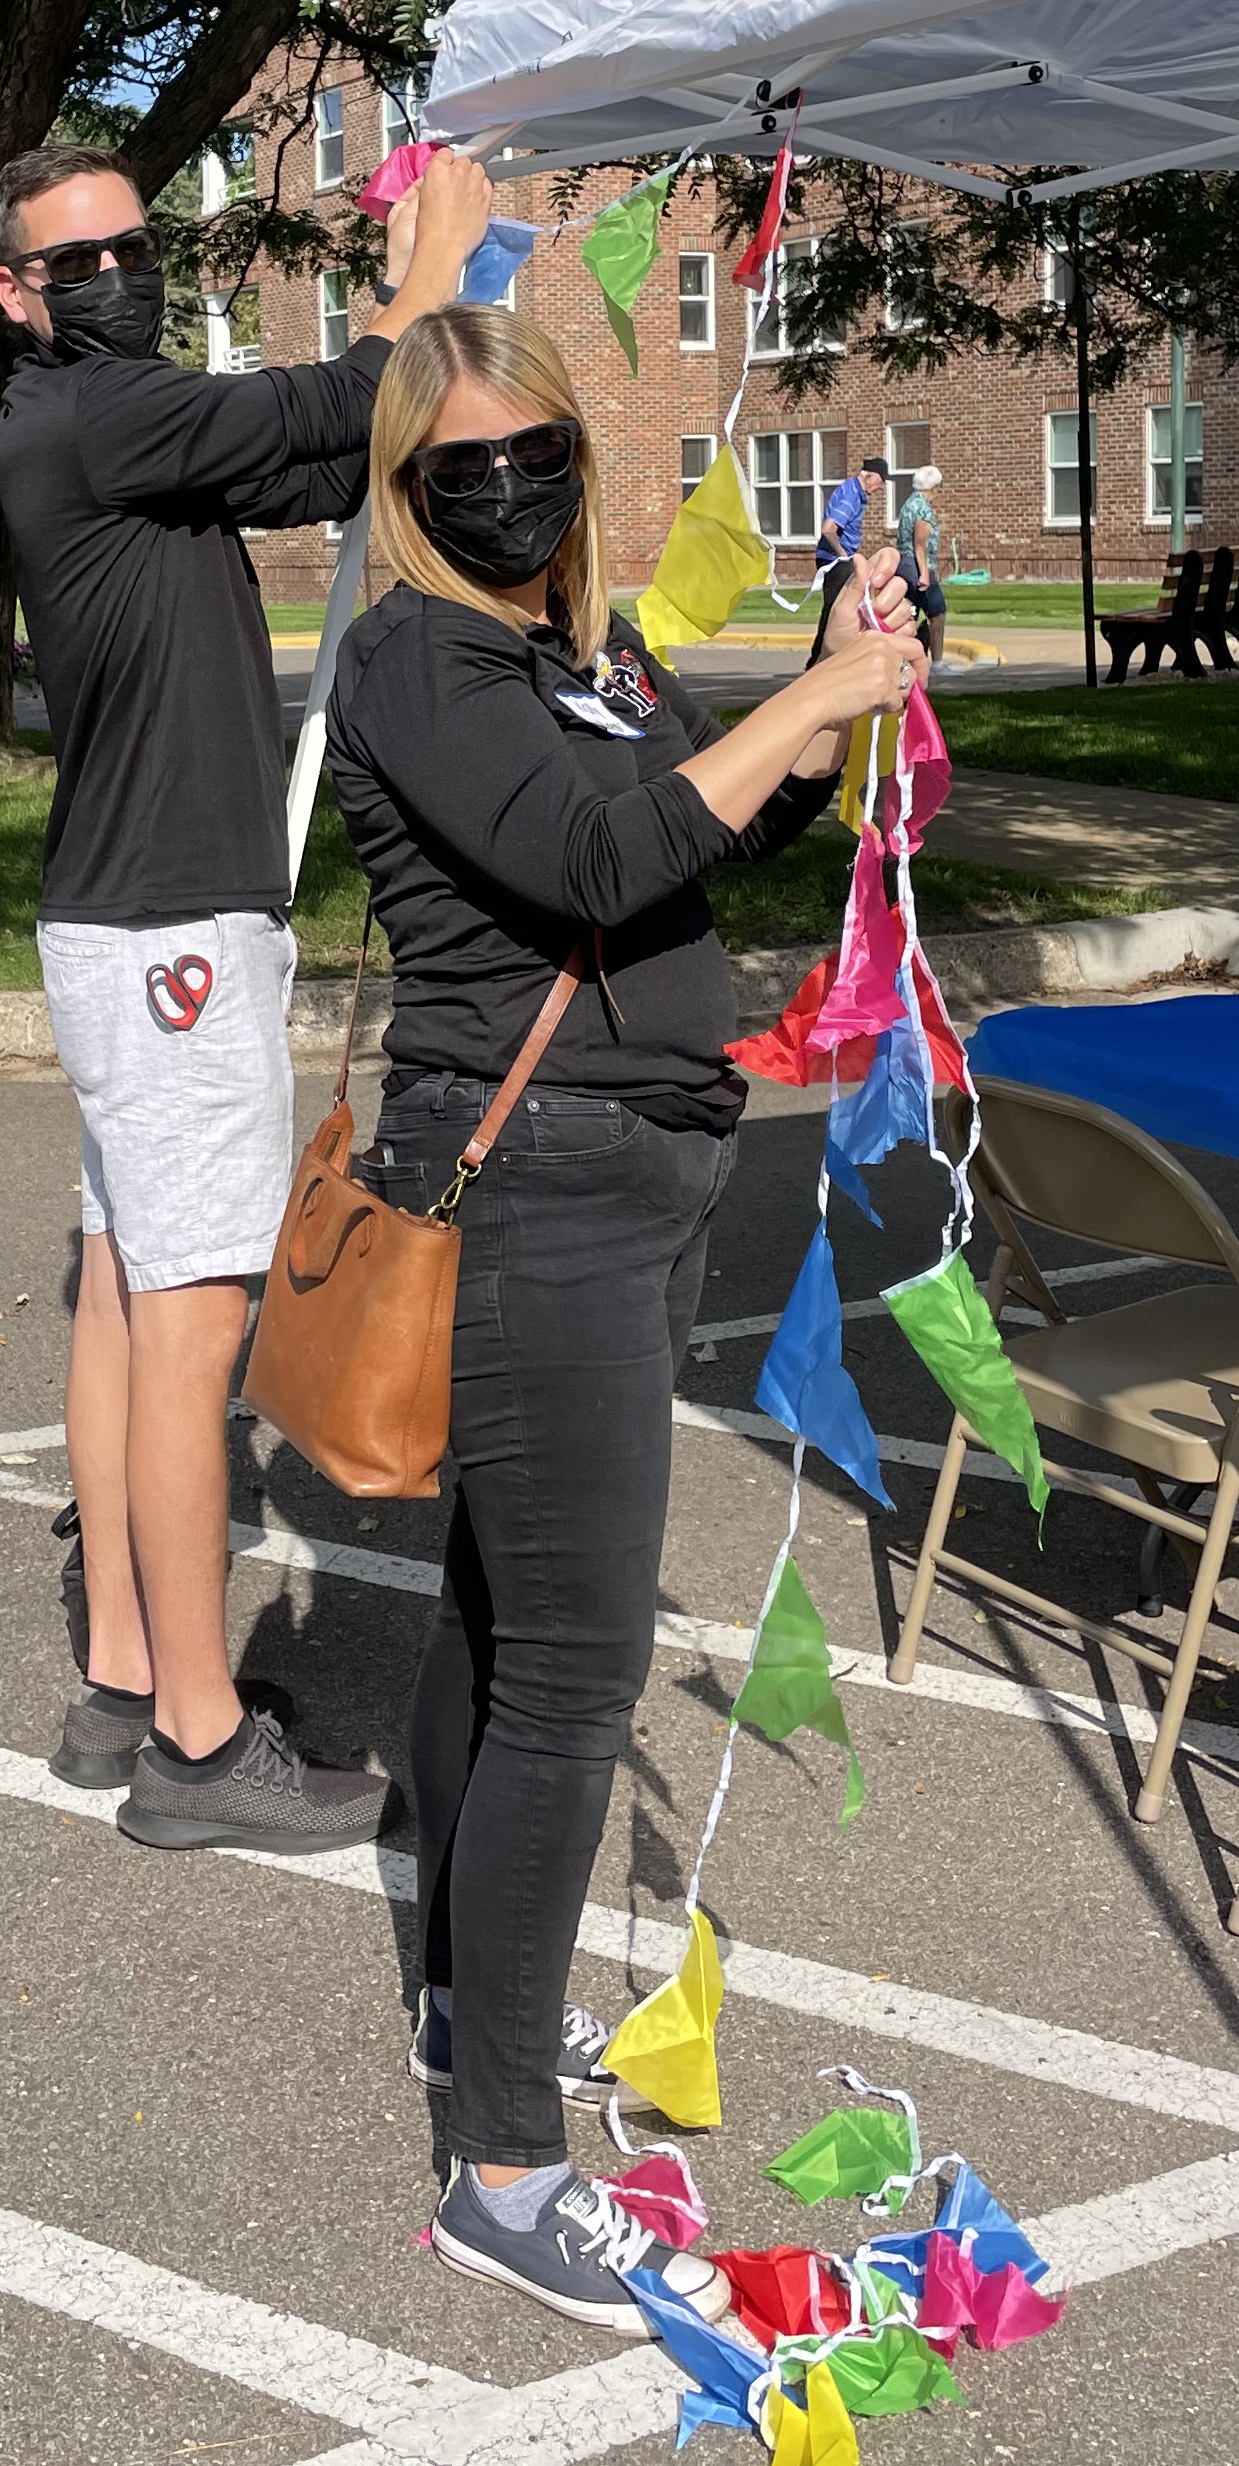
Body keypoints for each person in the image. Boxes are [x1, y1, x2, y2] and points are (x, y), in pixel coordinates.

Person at [325, 307, 925, 2330]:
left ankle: (462, 2006)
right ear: (406, 488)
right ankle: (503, 2173)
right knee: (572, 1677)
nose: (504, 491)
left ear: (581, 461)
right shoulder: (422, 655)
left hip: (630, 1169)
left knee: (499, 1622)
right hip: (541, 1189)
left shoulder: (576, 651)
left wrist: (825, 700)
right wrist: (812, 693)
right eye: (460, 467)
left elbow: (702, 826)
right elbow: (591, 852)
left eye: (535, 455)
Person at [0, 133, 493, 1855]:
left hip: (126, 927)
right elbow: (335, 407)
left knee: (126, 1302)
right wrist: (432, 271)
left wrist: (387, 337)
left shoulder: (104, 428)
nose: (114, 277)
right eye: (76, 262)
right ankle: (201, 1752)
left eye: (133, 247)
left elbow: (316, 454)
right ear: (15, 293)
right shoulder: (92, 412)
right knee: (190, 1327)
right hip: (171, 938)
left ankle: (126, 1679)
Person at [814, 453, 889, 618]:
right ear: (869, 476)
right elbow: (828, 529)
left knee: (840, 608)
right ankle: (825, 636)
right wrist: (844, 556)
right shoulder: (851, 495)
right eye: (881, 481)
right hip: (834, 560)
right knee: (836, 609)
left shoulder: (852, 490)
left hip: (837, 558)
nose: (881, 487)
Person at [896, 463, 947, 666]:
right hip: (917, 566)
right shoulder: (923, 508)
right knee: (938, 613)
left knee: (910, 615)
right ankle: (938, 664)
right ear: (934, 487)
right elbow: (920, 544)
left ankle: (906, 662)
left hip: (904, 565)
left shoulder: (909, 503)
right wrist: (925, 574)